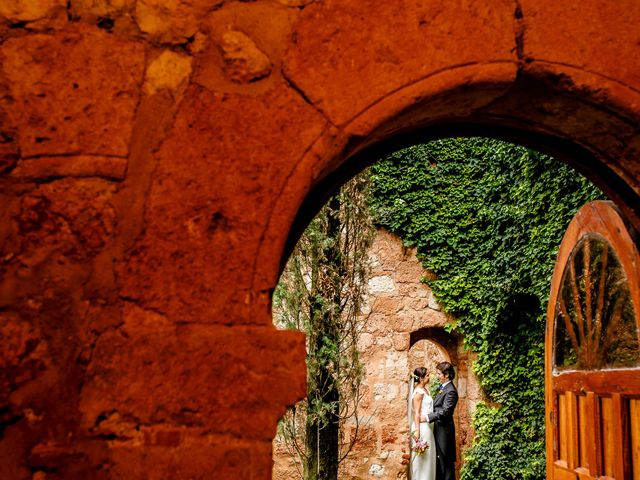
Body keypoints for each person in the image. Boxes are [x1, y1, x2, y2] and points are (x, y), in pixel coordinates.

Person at [427, 361, 458, 480]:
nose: (437, 376)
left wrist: (428, 417)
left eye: (439, 373)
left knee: (446, 462)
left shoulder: (451, 391)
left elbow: (445, 411)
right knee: (440, 463)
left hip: (444, 431)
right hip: (438, 428)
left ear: (447, 375)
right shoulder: (443, 388)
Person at [409, 367, 437, 480]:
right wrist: (417, 431)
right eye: (427, 375)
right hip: (422, 428)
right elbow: (416, 413)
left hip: (428, 426)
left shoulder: (426, 390)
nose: (429, 377)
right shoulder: (418, 393)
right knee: (422, 459)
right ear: (420, 378)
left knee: (429, 457)